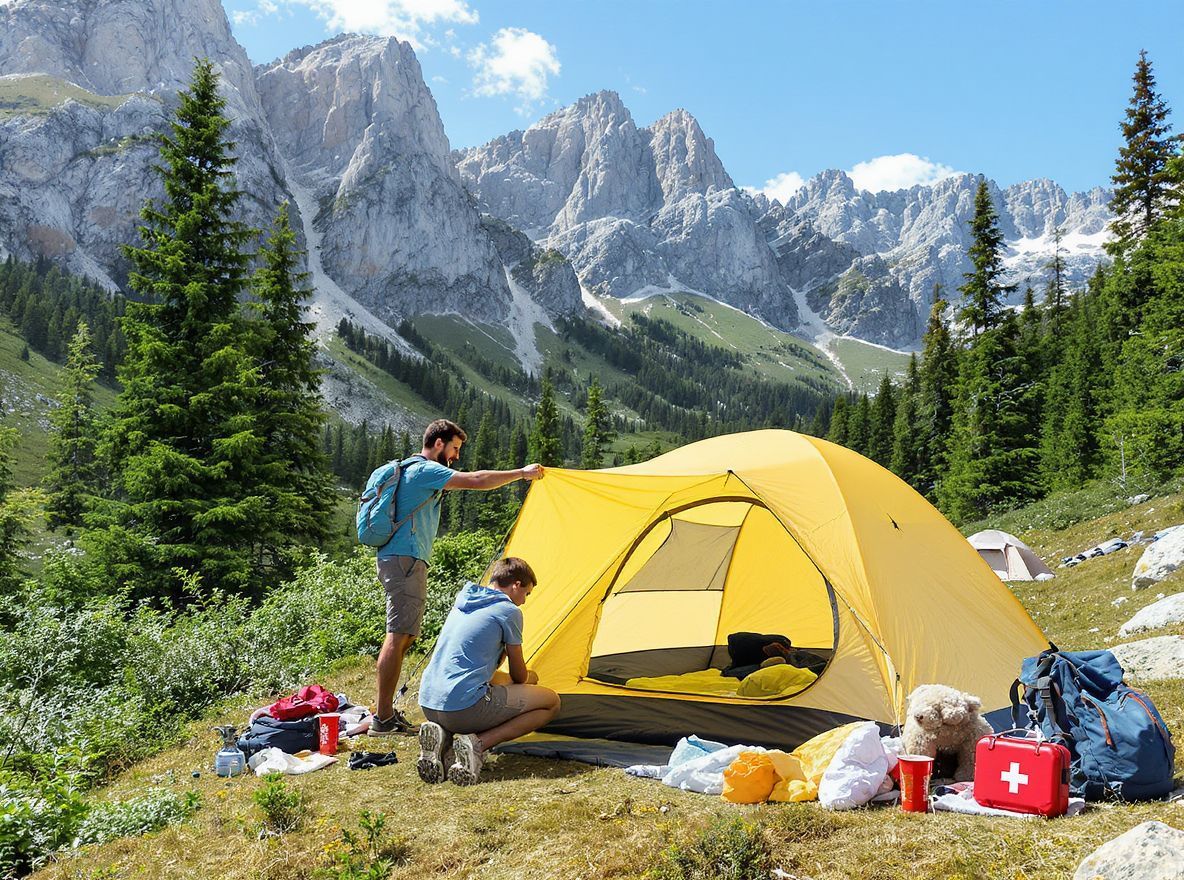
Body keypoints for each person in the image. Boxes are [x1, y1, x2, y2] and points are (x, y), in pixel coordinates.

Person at [370, 419, 544, 736]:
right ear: (439, 443)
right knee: (398, 636)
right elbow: (475, 480)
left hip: (402, 560)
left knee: (406, 635)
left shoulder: (411, 471)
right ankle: (383, 719)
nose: (456, 456)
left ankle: (385, 715)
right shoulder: (424, 470)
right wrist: (522, 473)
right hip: (404, 561)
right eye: (454, 448)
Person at [416, 557, 560, 785]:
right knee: (551, 701)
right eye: (527, 594)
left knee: (495, 686)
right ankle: (477, 745)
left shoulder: (464, 601)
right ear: (516, 585)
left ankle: (443, 742)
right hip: (462, 708)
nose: (523, 602)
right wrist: (531, 677)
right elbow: (520, 675)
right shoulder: (508, 611)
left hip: (428, 702)